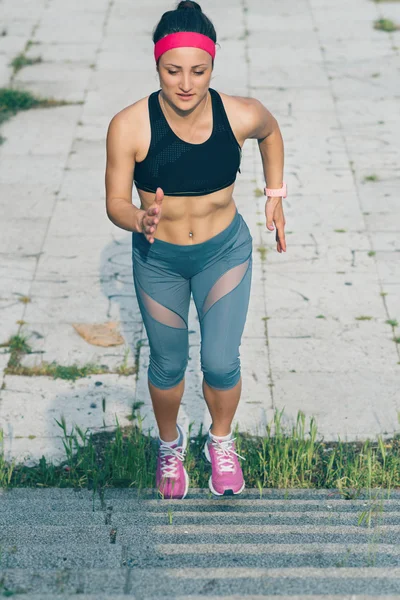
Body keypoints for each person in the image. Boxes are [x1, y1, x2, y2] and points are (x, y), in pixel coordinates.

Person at [105, 0, 287, 500]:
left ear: (212, 65)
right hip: (158, 261)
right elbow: (115, 202)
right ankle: (170, 446)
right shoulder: (130, 126)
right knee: (166, 365)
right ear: (156, 65)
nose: (186, 83)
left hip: (222, 254)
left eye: (198, 70)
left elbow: (271, 133)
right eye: (172, 70)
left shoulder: (240, 114)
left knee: (221, 362)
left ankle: (220, 443)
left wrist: (275, 196)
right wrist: (137, 218)